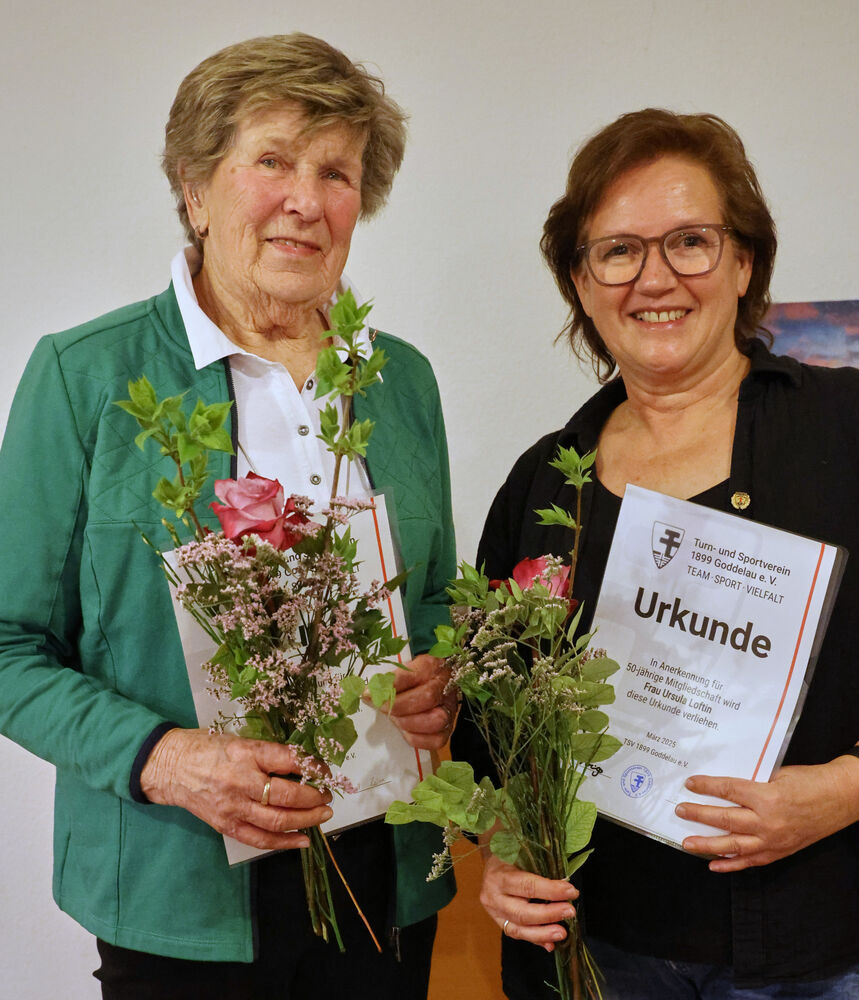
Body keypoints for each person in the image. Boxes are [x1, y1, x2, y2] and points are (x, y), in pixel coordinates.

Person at [0, 34, 457, 998]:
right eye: (272, 160)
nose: (305, 200)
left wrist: (439, 680)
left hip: (384, 874)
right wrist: (163, 760)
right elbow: (5, 645)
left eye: (335, 172)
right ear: (195, 188)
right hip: (178, 886)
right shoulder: (86, 378)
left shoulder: (402, 380)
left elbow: (435, 604)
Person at [452, 109, 859, 999]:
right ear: (581, 281)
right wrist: (504, 851)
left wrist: (843, 792)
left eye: (689, 241)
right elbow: (486, 734)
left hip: (817, 950)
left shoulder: (845, 430)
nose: (654, 277)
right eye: (617, 251)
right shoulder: (541, 483)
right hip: (592, 953)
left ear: (743, 262)